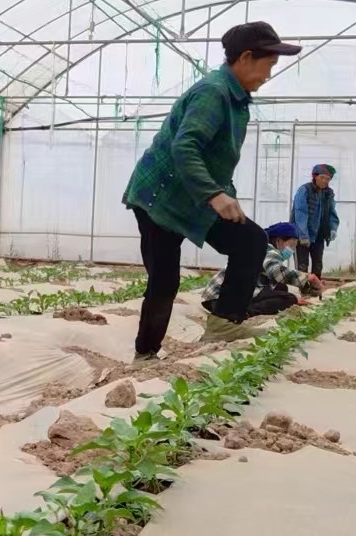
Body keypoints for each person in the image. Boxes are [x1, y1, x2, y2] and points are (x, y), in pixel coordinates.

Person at [123, 20, 302, 355]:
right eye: (269, 64)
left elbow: (216, 160)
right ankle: (145, 354)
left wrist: (225, 193)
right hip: (161, 199)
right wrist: (214, 194)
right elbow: (185, 146)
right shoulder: (214, 92)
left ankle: (224, 322)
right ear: (246, 58)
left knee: (251, 240)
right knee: (165, 280)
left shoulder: (236, 99)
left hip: (193, 196)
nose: (268, 75)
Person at [202, 222, 324, 317]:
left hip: (215, 298)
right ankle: (245, 312)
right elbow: (275, 271)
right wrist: (306, 277)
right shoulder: (269, 251)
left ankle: (240, 308)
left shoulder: (261, 248)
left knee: (282, 288)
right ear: (279, 241)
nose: (292, 250)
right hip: (222, 301)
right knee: (289, 299)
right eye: (291, 245)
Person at [290, 164, 339, 278]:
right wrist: (303, 235)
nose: (324, 181)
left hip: (319, 235)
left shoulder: (328, 193)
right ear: (315, 176)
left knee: (318, 265)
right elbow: (300, 213)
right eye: (322, 177)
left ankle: (315, 286)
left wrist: (332, 229)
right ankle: (302, 286)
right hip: (302, 235)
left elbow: (332, 212)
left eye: (327, 179)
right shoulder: (304, 190)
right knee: (302, 265)